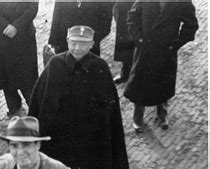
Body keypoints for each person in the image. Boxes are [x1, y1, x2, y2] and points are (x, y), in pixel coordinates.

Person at [29, 25, 129, 169]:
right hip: (59, 135)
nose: (77, 48)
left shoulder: (100, 67)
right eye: (73, 42)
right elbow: (39, 99)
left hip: (86, 136)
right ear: (67, 41)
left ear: (92, 44)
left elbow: (110, 108)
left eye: (83, 43)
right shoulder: (55, 64)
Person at [124, 0, 198, 132]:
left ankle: (162, 112)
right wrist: (138, 39)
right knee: (140, 82)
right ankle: (138, 114)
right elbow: (132, 17)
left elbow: (191, 24)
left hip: (165, 50)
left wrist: (176, 44)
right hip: (145, 48)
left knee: (163, 82)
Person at [0, 2, 38, 117]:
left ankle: (36, 110)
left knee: (27, 78)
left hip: (24, 36)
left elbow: (32, 7)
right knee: (5, 76)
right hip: (0, 36)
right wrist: (4, 26)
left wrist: (16, 26)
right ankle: (14, 108)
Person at [46, 0, 113, 58]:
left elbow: (105, 26)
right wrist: (53, 42)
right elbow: (56, 16)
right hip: (64, 44)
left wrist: (89, 40)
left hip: (89, 48)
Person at [112, 0, 135, 84]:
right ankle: (125, 73)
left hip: (140, 10)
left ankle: (138, 76)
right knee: (125, 44)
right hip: (123, 11)